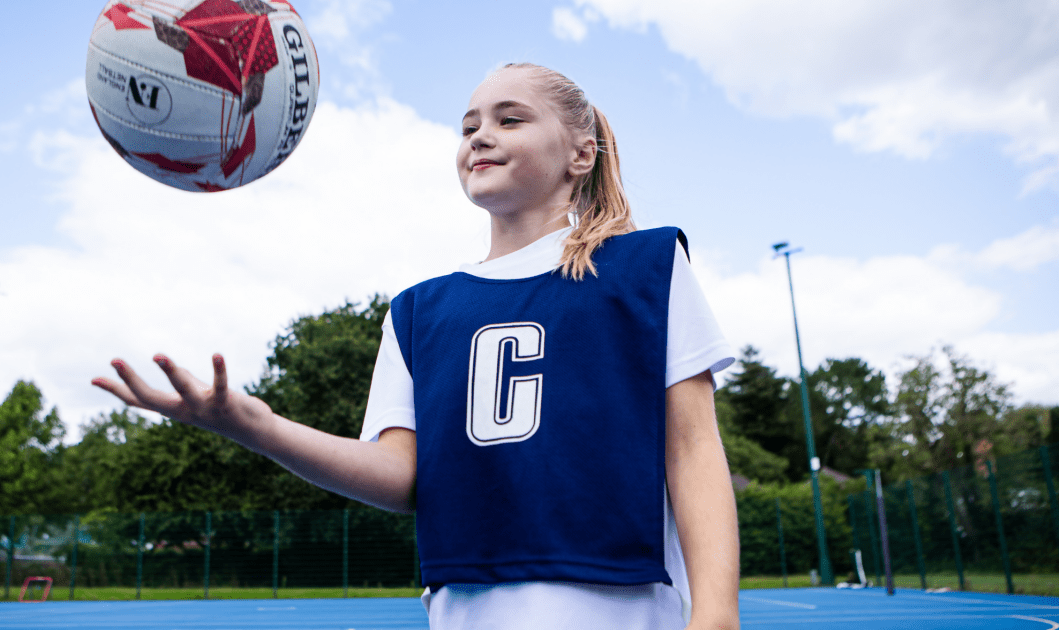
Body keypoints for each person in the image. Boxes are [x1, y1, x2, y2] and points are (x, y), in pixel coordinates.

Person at [93, 63, 740, 630]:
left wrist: (715, 612)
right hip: (465, 604)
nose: (480, 135)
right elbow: (401, 475)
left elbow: (692, 447)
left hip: (619, 600)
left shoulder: (645, 267)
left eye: (510, 119)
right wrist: (258, 427)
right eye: (468, 127)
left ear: (581, 153)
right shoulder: (418, 311)